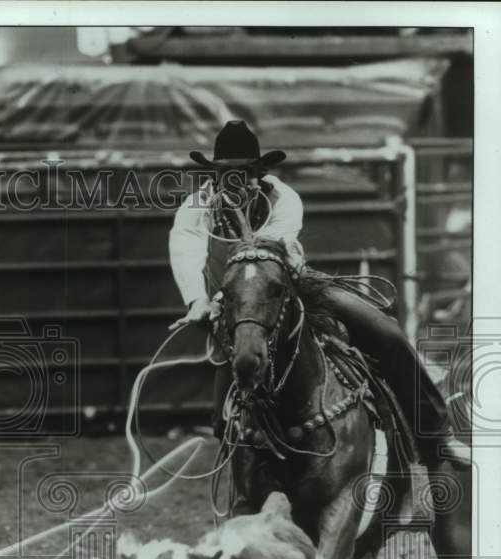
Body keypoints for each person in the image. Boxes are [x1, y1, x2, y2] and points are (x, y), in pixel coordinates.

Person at [168, 120, 469, 466]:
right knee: (225, 421)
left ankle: (435, 432)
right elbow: (186, 250)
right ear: (214, 175)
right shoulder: (197, 206)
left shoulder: (282, 197)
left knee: (385, 331)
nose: (238, 182)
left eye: (246, 172)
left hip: (290, 286)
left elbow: (271, 255)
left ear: (260, 173)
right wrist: (197, 300)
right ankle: (242, 478)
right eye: (228, 173)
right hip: (235, 304)